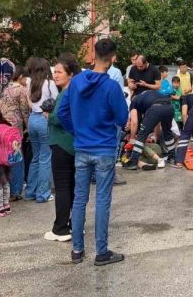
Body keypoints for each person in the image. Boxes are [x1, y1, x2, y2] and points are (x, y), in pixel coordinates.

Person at [57, 39, 129, 266]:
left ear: (93, 54)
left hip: (82, 148)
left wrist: (76, 131)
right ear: (113, 58)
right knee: (102, 199)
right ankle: (101, 251)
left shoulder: (76, 81)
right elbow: (123, 119)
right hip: (104, 148)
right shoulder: (111, 87)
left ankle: (77, 250)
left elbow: (61, 113)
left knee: (79, 199)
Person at [45, 54, 80, 243]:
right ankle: (75, 225)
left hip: (62, 144)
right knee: (72, 187)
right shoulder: (73, 92)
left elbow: (58, 117)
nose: (55, 75)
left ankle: (60, 228)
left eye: (59, 72)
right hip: (71, 144)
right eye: (54, 72)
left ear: (70, 74)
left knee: (63, 187)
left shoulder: (67, 93)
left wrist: (48, 116)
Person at [0, 59, 29, 201]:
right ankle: (15, 191)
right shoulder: (19, 89)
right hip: (14, 130)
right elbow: (24, 111)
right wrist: (27, 127)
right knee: (16, 159)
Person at [25, 57, 58, 203]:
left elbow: (29, 102)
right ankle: (43, 194)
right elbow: (57, 100)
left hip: (32, 119)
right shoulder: (49, 83)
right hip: (44, 119)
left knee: (36, 157)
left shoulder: (30, 83)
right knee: (46, 158)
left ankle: (30, 191)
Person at [125, 90, 175, 171]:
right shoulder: (150, 94)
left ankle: (133, 162)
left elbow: (134, 122)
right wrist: (156, 135)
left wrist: (132, 138)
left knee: (142, 135)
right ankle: (173, 158)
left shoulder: (134, 101)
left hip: (156, 108)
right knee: (167, 132)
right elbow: (157, 120)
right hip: (169, 107)